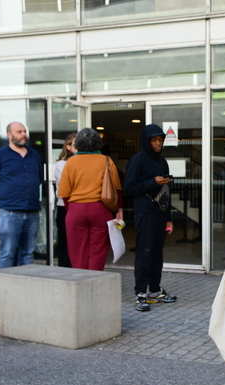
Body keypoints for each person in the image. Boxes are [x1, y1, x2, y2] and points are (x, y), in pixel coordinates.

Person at [124, 124, 177, 312]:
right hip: (144, 212)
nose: (158, 143)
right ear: (146, 141)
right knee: (144, 253)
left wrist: (169, 217)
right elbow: (128, 188)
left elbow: (166, 191)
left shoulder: (162, 162)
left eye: (160, 140)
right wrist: (151, 182)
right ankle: (140, 293)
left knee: (156, 254)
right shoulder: (138, 160)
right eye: (154, 140)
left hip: (160, 213)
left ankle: (154, 289)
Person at [58, 128, 123, 271]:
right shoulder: (106, 160)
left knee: (77, 251)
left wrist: (72, 210)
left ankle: (80, 283)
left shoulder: (71, 162)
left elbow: (64, 193)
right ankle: (94, 281)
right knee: (98, 250)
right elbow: (116, 188)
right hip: (100, 210)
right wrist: (119, 210)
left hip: (75, 210)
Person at [0, 121, 43, 269]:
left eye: (24, 131)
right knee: (7, 253)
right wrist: (5, 193)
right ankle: (4, 289)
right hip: (10, 212)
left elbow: (39, 177)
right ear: (9, 135)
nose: (24, 134)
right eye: (19, 132)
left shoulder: (34, 154)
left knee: (28, 252)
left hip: (32, 211)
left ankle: (24, 286)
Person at [54, 133, 77, 268]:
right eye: (75, 144)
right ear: (68, 147)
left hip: (80, 206)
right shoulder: (61, 164)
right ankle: (64, 271)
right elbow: (69, 185)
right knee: (65, 242)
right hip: (64, 206)